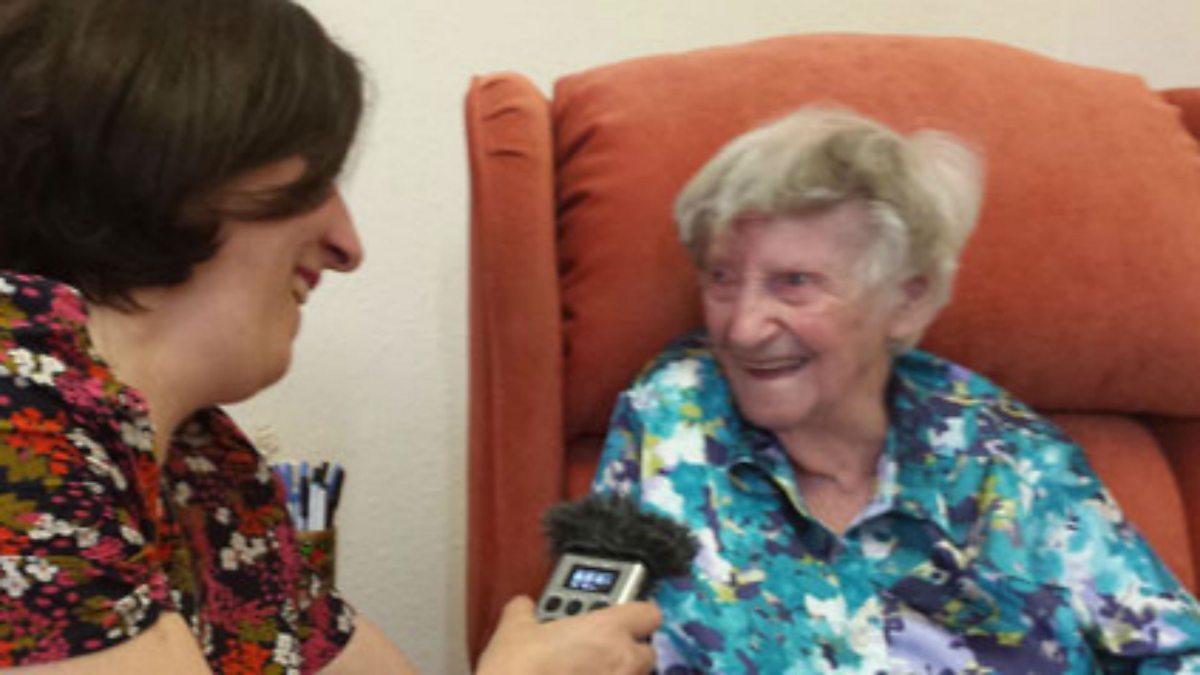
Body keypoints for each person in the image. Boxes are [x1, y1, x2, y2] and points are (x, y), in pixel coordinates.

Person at [0, 0, 658, 672]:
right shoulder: (17, 404)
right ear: (176, 157)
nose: (348, 246)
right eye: (315, 181)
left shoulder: (209, 469)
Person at [592, 106, 1200, 672]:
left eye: (794, 282)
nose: (743, 328)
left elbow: (1178, 653)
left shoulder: (1008, 459)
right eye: (721, 278)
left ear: (908, 299)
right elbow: (584, 644)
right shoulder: (671, 422)